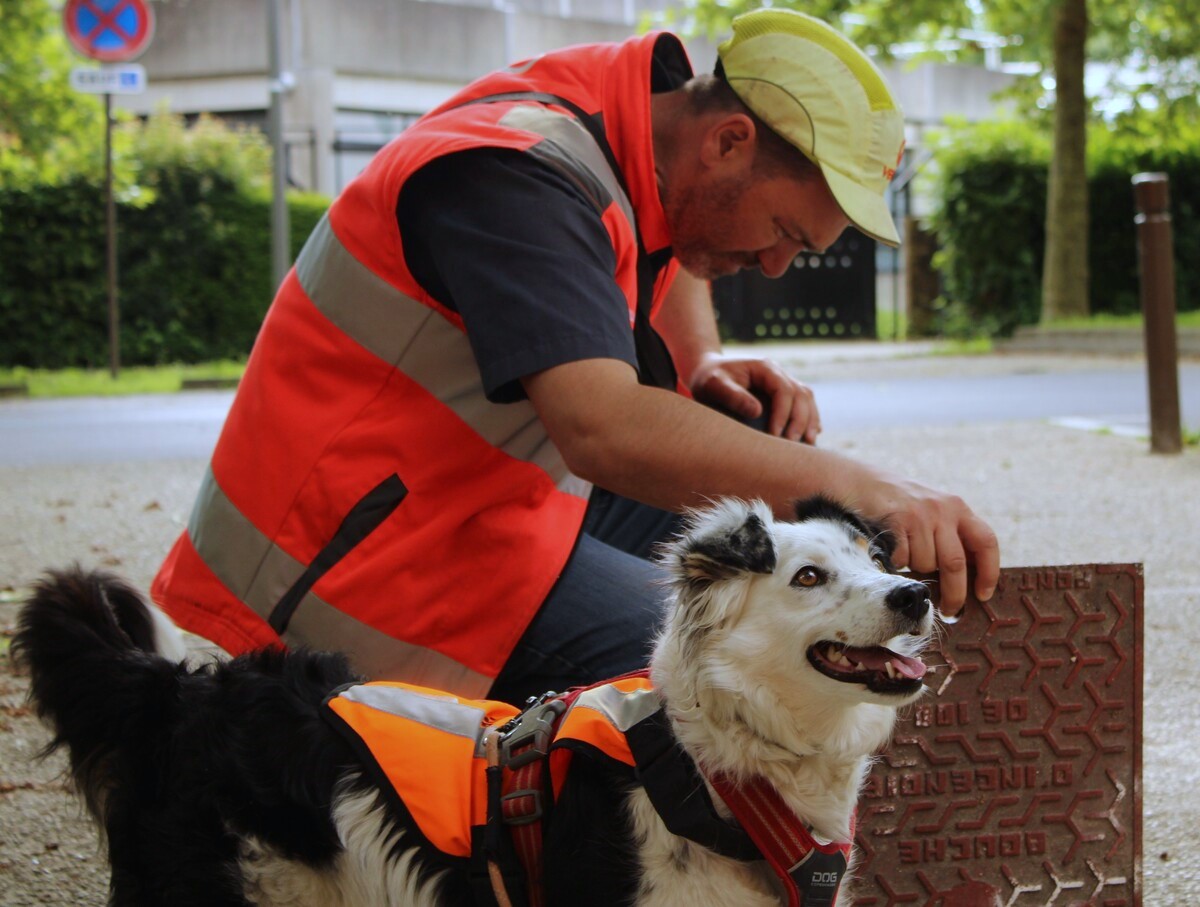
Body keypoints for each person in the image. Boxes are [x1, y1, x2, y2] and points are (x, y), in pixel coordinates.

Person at [151, 8, 999, 705]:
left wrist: (701, 359)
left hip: (470, 495)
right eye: (782, 231)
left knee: (760, 525)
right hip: (352, 561)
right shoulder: (518, 176)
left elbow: (663, 235)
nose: (776, 266)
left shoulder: (636, 118)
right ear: (729, 141)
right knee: (736, 664)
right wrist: (863, 486)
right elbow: (603, 429)